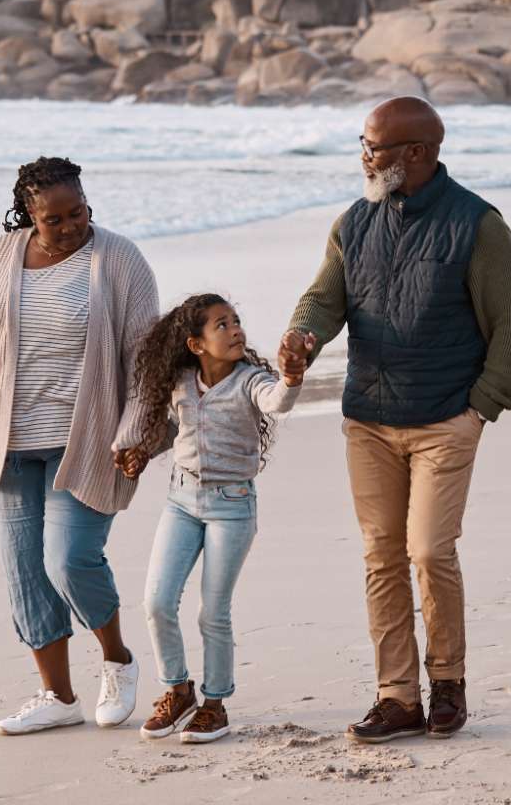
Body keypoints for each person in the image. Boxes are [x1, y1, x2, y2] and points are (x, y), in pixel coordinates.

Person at [278, 95, 511, 743]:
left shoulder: (478, 225)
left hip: (447, 417)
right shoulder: (352, 223)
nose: (364, 157)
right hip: (368, 419)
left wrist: (481, 408)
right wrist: (303, 337)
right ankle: (397, 697)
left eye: (374, 146)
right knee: (381, 555)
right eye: (364, 144)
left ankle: (447, 683)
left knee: (428, 548)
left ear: (416, 153)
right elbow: (323, 299)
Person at [0, 157, 158, 735]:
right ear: (27, 214)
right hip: (10, 445)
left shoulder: (119, 259)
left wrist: (139, 433)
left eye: (79, 211)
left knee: (67, 559)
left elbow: (146, 359)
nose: (71, 225)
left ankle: (118, 660)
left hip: (91, 441)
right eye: (55, 218)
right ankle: (59, 696)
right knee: (25, 572)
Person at [116, 294, 301, 743]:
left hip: (232, 507)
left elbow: (277, 401)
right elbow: (173, 432)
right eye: (221, 325)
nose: (235, 329)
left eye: (236, 321)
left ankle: (215, 706)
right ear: (196, 344)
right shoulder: (181, 382)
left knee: (212, 612)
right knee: (156, 602)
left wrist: (292, 377)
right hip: (180, 502)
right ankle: (178, 691)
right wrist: (143, 451)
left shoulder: (250, 381)